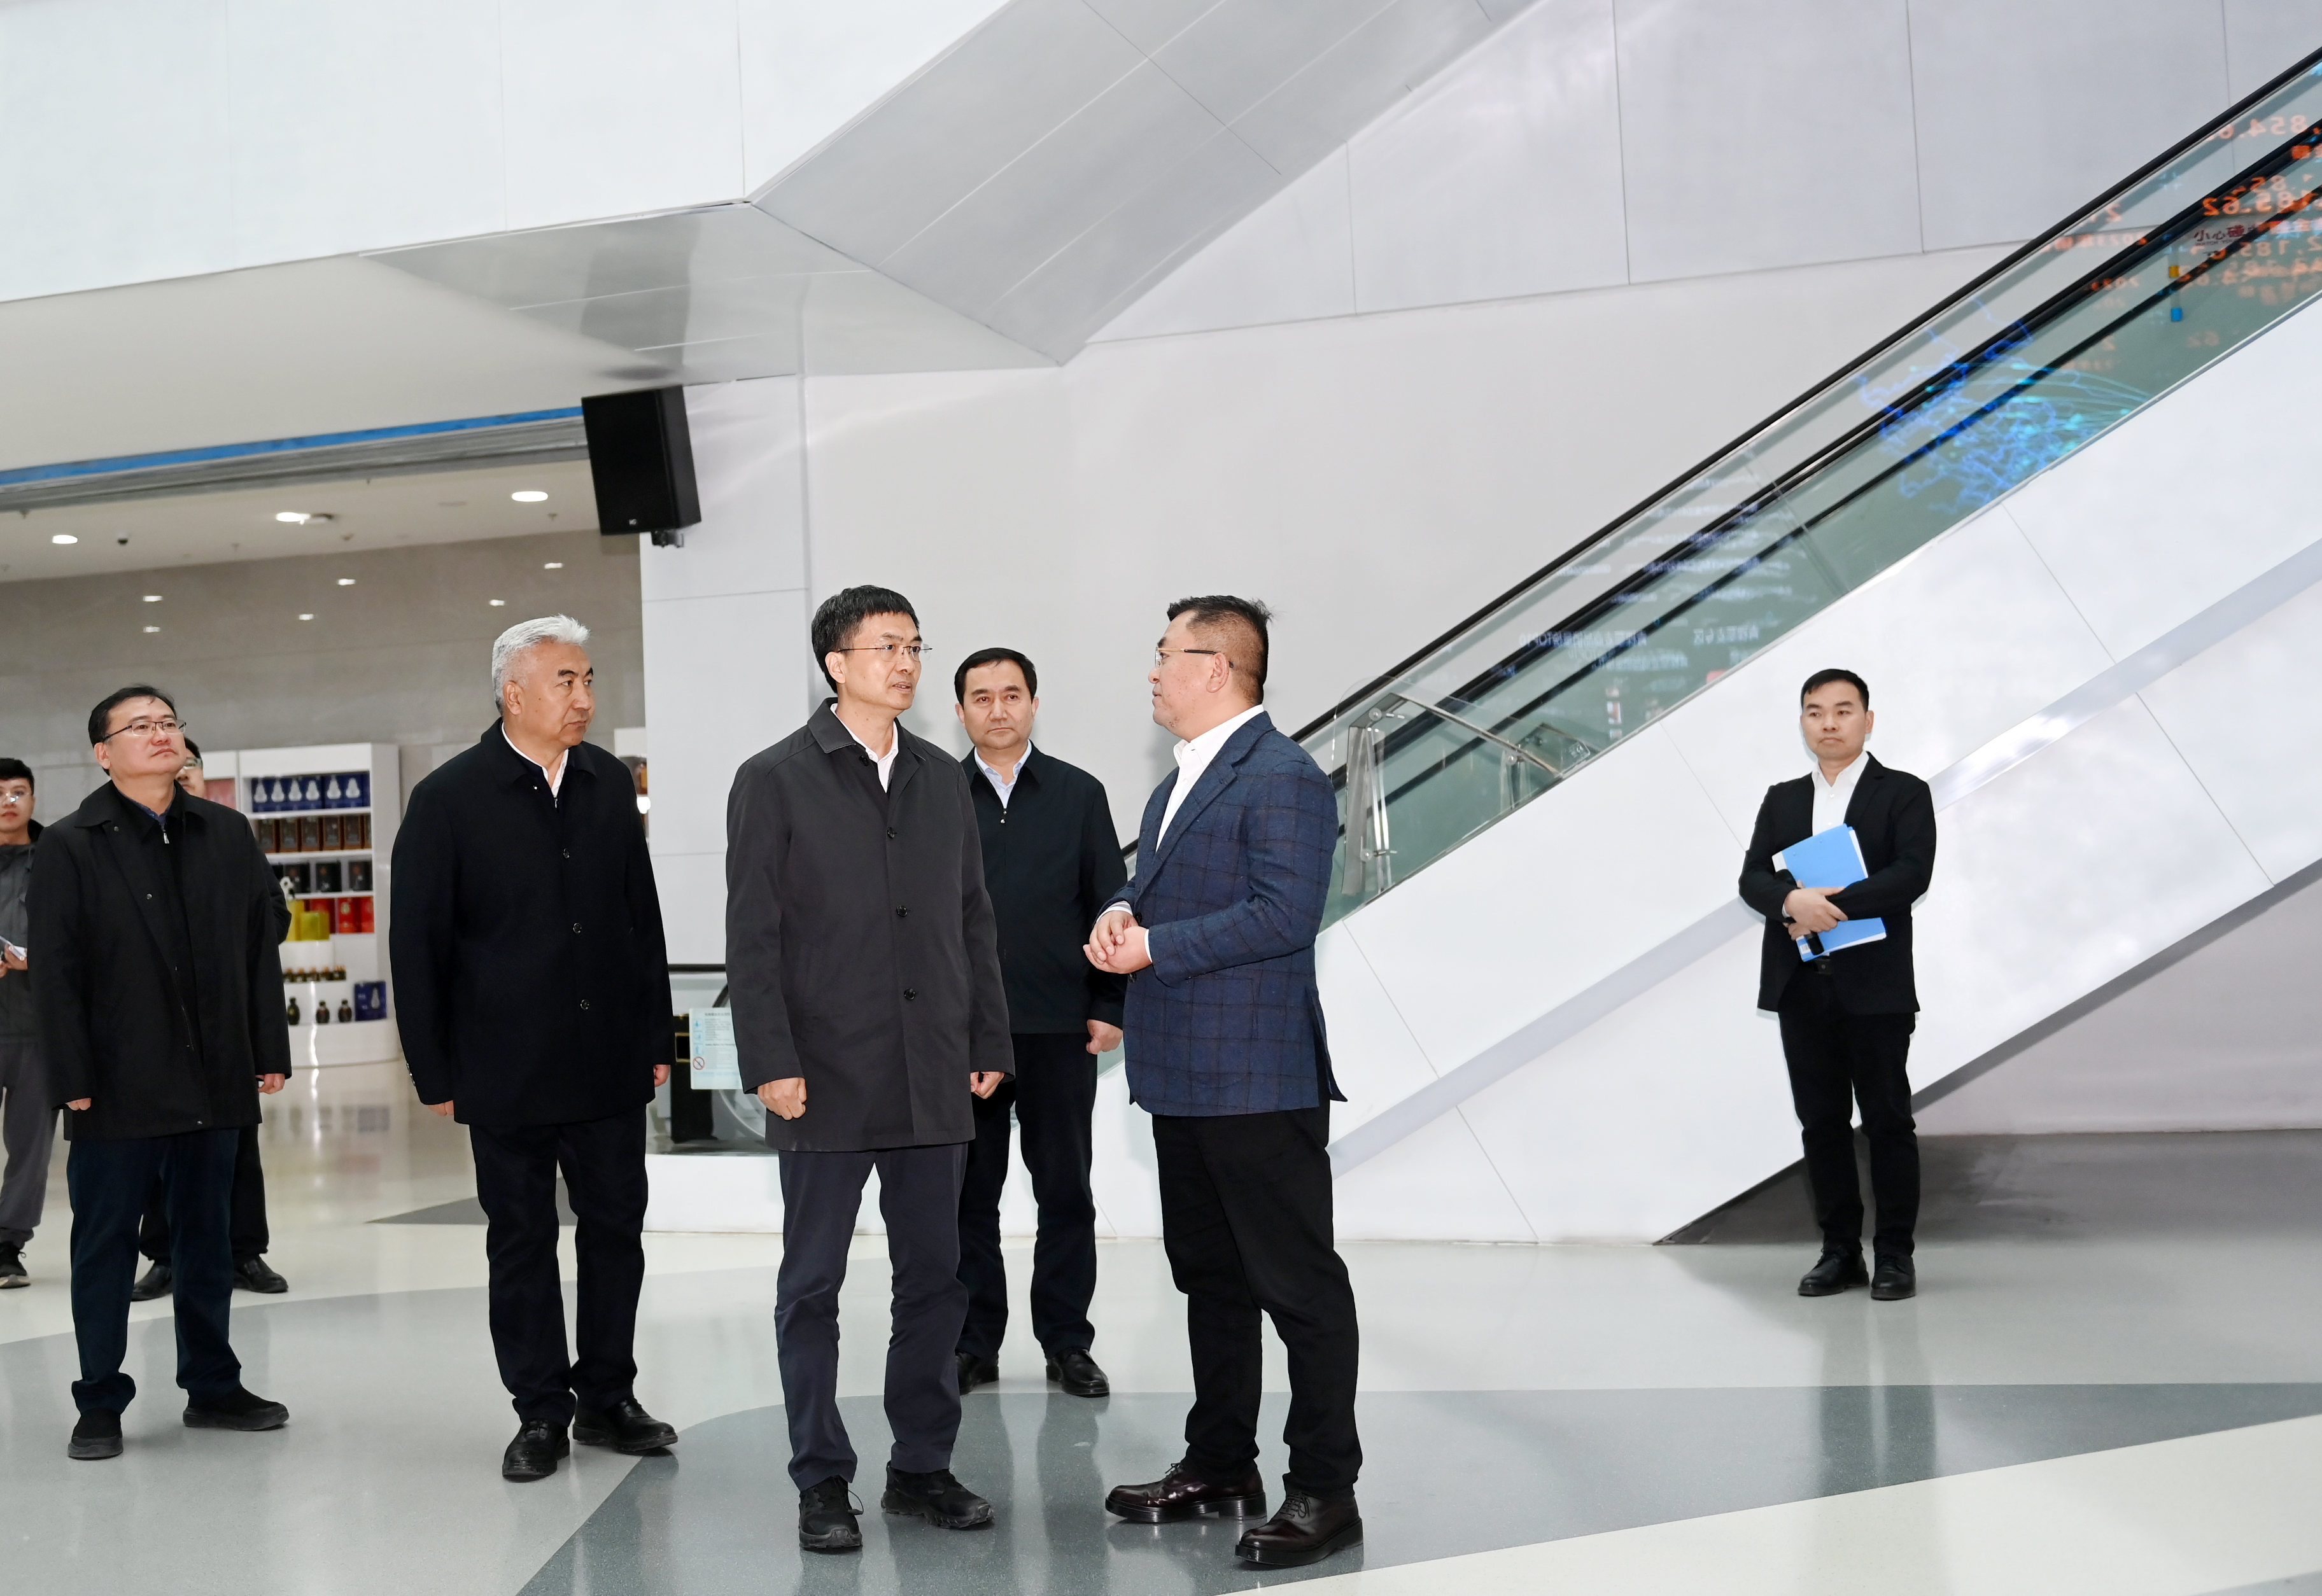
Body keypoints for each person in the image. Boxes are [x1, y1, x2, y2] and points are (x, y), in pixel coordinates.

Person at [726, 585, 1012, 1555]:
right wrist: (770, 1060)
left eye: (915, 646)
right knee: (812, 1286)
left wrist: (987, 1041)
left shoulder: (941, 779)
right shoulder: (774, 779)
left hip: (933, 1071)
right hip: (823, 1074)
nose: (906, 663)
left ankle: (923, 1467)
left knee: (936, 1280)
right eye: (886, 646)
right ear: (836, 664)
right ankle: (821, 1478)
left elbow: (973, 919)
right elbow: (752, 935)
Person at [1087, 596, 1363, 1571]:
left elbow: (1284, 914)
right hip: (1184, 1077)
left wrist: (1155, 945)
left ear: (1215, 667)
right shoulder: (1180, 780)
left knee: (1298, 1287)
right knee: (1211, 1279)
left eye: (1166, 654)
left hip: (1255, 1078)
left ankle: (1325, 1489)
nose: (1153, 671)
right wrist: (1124, 910)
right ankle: (1220, 1463)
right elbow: (1161, 886)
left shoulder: (1283, 776)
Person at [390, 615, 680, 1481]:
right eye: (566, 681)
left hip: (607, 1060)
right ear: (513, 694)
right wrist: (435, 1069)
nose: (584, 697)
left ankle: (609, 1396)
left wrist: (655, 1034)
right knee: (521, 1240)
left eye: (588, 679)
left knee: (615, 1232)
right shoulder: (448, 798)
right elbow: (418, 945)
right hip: (504, 1065)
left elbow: (640, 919)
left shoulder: (607, 783)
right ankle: (540, 1411)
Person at [31, 687, 292, 1460]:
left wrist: (267, 1049)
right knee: (105, 1244)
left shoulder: (225, 831)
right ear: (103, 753)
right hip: (116, 1080)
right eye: (140, 726)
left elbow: (258, 948)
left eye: (169, 723)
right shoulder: (72, 844)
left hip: (215, 1074)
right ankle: (99, 1399)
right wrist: (70, 1074)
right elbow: (56, 969)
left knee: (207, 1239)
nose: (160, 734)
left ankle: (212, 1385)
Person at [949, 647, 1126, 1399]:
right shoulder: (935, 796)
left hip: (1060, 1027)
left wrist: (1109, 1006)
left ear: (1034, 703)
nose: (998, 709)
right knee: (969, 1198)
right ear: (960, 711)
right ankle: (972, 1344)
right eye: (982, 697)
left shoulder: (1079, 793)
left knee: (1066, 1194)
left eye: (1012, 694)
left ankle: (1067, 1343)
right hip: (966, 1034)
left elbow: (1110, 901)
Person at [1737, 668, 1937, 1302]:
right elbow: (1752, 878)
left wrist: (1826, 907)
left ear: (1868, 721)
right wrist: (1789, 900)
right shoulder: (1782, 798)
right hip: (1802, 985)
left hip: (1875, 986)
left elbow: (1911, 874)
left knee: (1887, 1122)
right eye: (1815, 711)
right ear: (1803, 722)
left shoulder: (1903, 792)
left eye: (1843, 711)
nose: (1829, 723)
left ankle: (1895, 1255)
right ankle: (1839, 1252)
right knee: (1821, 1124)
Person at [130, 739, 288, 1301]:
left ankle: (244, 1252)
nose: (181, 771)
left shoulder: (227, 833)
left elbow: (273, 915)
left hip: (225, 1020)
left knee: (236, 1142)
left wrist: (222, 940)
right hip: (154, 1024)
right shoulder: (128, 839)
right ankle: (165, 1256)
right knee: (157, 1145)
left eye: (190, 763)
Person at [0, 756, 53, 1289]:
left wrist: (41, 958)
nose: (8, 802)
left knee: (30, 1146)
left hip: (38, 1027)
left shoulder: (59, 857)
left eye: (18, 791)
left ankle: (7, 1244)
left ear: (33, 799)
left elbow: (85, 931)